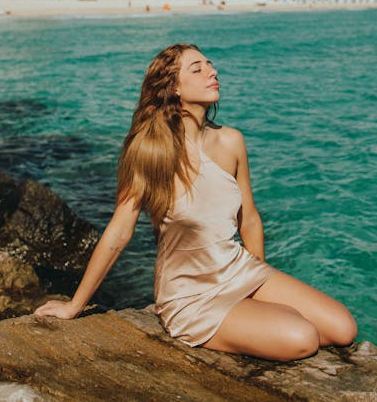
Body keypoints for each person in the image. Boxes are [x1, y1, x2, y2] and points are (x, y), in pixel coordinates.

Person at [35, 43, 357, 360]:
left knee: (343, 329)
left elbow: (250, 220)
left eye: (210, 65)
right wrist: (74, 305)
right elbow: (119, 232)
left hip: (237, 269)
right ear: (173, 87)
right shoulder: (149, 150)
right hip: (189, 292)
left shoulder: (232, 141)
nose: (212, 71)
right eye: (197, 68)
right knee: (303, 338)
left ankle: (252, 312)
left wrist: (256, 284)